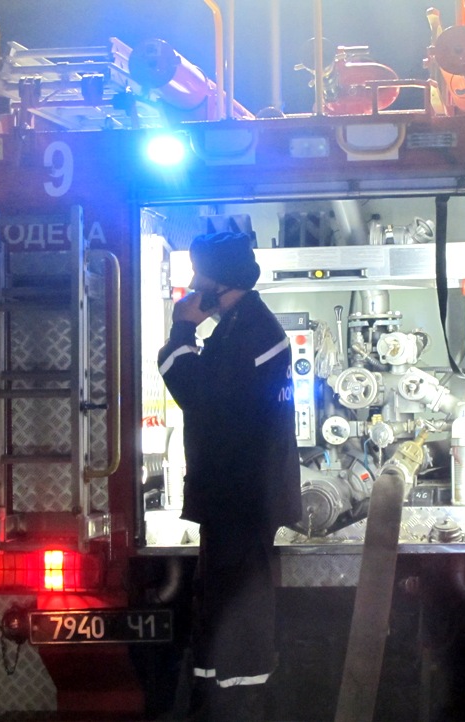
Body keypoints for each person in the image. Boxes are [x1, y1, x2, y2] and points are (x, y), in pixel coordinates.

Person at [158, 231, 302, 721]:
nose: (194, 284)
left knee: (241, 606)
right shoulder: (241, 327)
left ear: (221, 282)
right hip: (236, 495)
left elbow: (196, 392)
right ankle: (211, 693)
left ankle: (240, 702)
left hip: (243, 496)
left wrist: (181, 329)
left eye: (201, 275)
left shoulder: (251, 334)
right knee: (220, 600)